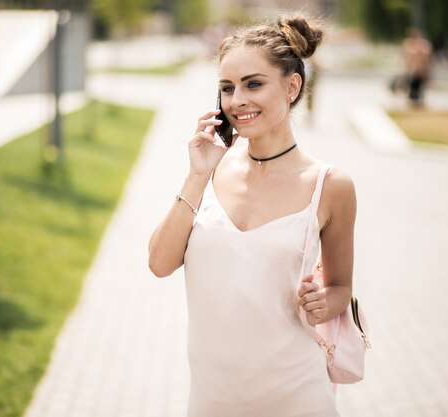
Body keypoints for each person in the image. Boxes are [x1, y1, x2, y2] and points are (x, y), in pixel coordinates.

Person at [148, 16, 356, 417]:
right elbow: (159, 263)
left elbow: (341, 288)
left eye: (253, 84)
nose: (236, 100)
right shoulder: (209, 171)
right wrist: (197, 174)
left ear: (292, 86)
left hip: (297, 396)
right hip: (212, 399)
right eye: (227, 88)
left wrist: (323, 302)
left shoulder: (330, 186)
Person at [401, 27, 433, 106]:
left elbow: (427, 58)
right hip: (413, 71)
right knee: (412, 91)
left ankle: (418, 104)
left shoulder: (424, 45)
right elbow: (406, 58)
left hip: (421, 71)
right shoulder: (408, 45)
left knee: (420, 90)